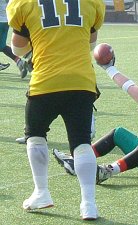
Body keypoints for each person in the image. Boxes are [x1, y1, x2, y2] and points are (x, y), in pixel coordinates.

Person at [7, 0, 105, 220]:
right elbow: (90, 42)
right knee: (81, 142)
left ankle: (41, 192)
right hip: (81, 80)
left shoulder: (25, 3)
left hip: (46, 79)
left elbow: (17, 47)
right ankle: (89, 204)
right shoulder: (91, 2)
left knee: (35, 135)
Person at [0, 0, 28, 77]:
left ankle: (21, 62)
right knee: (1, 45)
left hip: (1, 20)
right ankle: (19, 62)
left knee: (1, 46)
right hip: (6, 19)